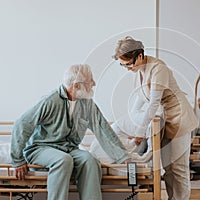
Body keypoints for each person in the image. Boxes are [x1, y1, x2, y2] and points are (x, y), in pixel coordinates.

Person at [10, 64, 130, 200]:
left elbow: (102, 128)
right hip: (41, 148)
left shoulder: (87, 104)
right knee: (63, 160)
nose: (94, 84)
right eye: (90, 81)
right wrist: (18, 160)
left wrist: (123, 157)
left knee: (90, 160)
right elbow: (22, 124)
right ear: (76, 85)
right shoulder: (51, 100)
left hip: (68, 149)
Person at [113, 36, 198, 200]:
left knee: (179, 168)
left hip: (179, 118)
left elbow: (153, 103)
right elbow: (138, 100)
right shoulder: (139, 71)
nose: (128, 68)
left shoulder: (158, 69)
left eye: (129, 64)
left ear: (140, 55)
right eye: (123, 65)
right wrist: (132, 123)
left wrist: (140, 132)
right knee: (168, 167)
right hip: (164, 120)